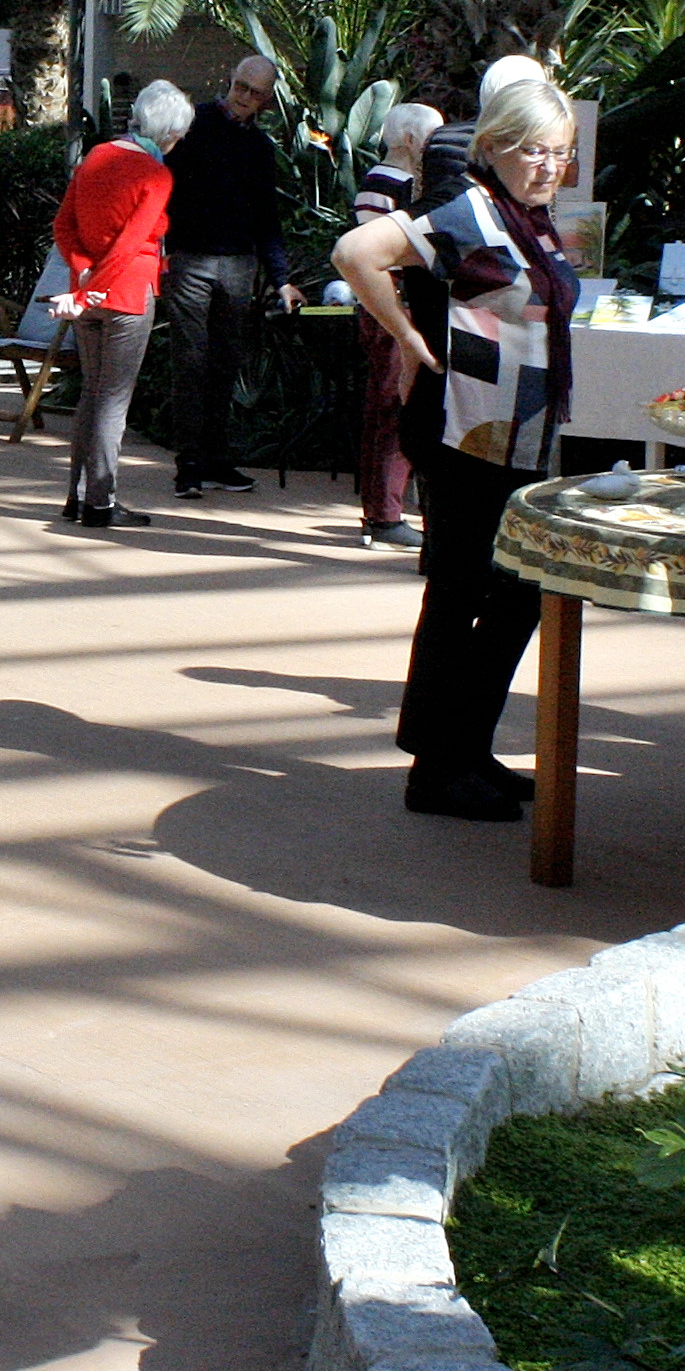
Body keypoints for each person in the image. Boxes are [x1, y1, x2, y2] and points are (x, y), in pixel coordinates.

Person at [333, 59, 582, 819]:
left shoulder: (528, 218)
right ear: (498, 147)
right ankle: (440, 769)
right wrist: (409, 341)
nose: (550, 166)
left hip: (518, 439)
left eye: (561, 151)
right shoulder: (470, 211)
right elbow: (355, 254)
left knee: (508, 594)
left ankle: (463, 749)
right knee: (473, 592)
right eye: (535, 150)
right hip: (471, 435)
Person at [50, 80, 187, 530]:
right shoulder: (156, 174)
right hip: (127, 292)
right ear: (168, 133)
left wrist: (83, 275)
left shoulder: (94, 158)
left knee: (91, 391)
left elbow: (63, 225)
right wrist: (98, 285)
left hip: (85, 291)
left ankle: (75, 494)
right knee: (113, 399)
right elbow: (131, 243)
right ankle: (101, 500)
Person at [162, 55, 299, 497]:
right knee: (190, 360)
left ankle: (217, 459)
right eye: (241, 87)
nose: (245, 99)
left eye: (256, 93)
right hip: (190, 258)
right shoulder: (194, 124)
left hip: (238, 263)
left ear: (267, 99)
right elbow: (159, 183)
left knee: (224, 362)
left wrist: (280, 279)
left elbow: (268, 219)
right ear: (230, 80)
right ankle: (188, 465)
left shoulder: (260, 147)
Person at [350, 99, 442, 550]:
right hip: (396, 308)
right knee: (396, 406)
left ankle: (380, 509)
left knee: (382, 407)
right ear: (411, 139)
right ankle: (386, 514)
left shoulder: (373, 181)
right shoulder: (400, 187)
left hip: (380, 307)